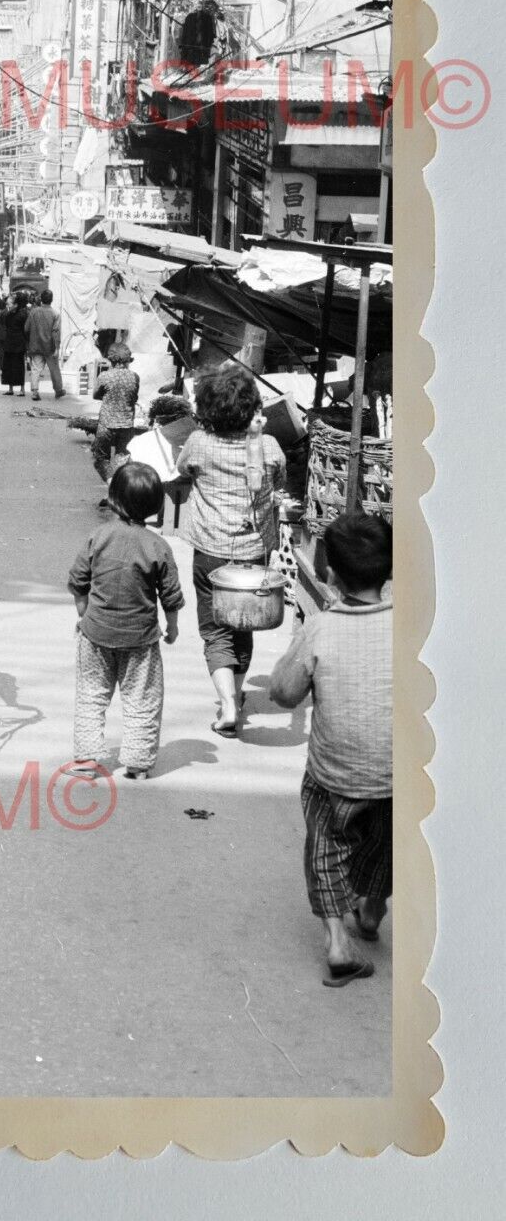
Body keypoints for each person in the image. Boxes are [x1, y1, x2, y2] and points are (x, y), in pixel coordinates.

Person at [270, 513, 392, 987]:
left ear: (329, 575)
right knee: (384, 850)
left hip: (333, 777)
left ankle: (338, 942)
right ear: (388, 573)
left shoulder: (320, 629)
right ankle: (372, 911)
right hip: (394, 777)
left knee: (325, 850)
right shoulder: (411, 627)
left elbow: (283, 692)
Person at [174, 366, 286, 738]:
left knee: (216, 630)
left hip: (210, 552)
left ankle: (226, 704)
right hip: (253, 554)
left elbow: (182, 469)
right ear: (252, 407)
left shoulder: (198, 444)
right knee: (243, 626)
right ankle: (236, 693)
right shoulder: (268, 446)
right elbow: (280, 478)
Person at [67, 463, 184, 780]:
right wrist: (172, 627)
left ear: (113, 499)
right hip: (140, 641)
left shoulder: (99, 537)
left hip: (95, 635)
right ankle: (138, 762)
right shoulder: (157, 545)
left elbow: (79, 579)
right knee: (142, 699)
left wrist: (84, 611)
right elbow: (170, 594)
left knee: (92, 696)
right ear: (155, 506)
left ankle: (87, 760)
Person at [91, 343, 141, 505]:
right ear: (128, 360)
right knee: (121, 458)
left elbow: (96, 395)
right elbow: (134, 397)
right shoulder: (134, 377)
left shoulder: (104, 376)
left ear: (111, 360)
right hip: (126, 425)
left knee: (101, 457)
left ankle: (112, 488)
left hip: (106, 424)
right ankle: (117, 494)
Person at [25, 288, 65, 400]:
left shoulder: (33, 312)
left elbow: (26, 328)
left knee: (36, 368)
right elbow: (56, 332)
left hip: (35, 345)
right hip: (50, 347)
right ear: (51, 300)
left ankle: (34, 391)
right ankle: (58, 390)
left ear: (41, 299)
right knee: (54, 369)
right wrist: (57, 347)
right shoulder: (55, 314)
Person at [0, 290, 31, 396]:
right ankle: (10, 388)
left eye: (9, 304)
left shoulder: (22, 315)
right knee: (8, 366)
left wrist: (26, 344)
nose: (7, 305)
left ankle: (22, 389)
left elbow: (26, 330)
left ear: (16, 305)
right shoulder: (7, 315)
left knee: (19, 366)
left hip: (19, 344)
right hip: (9, 343)